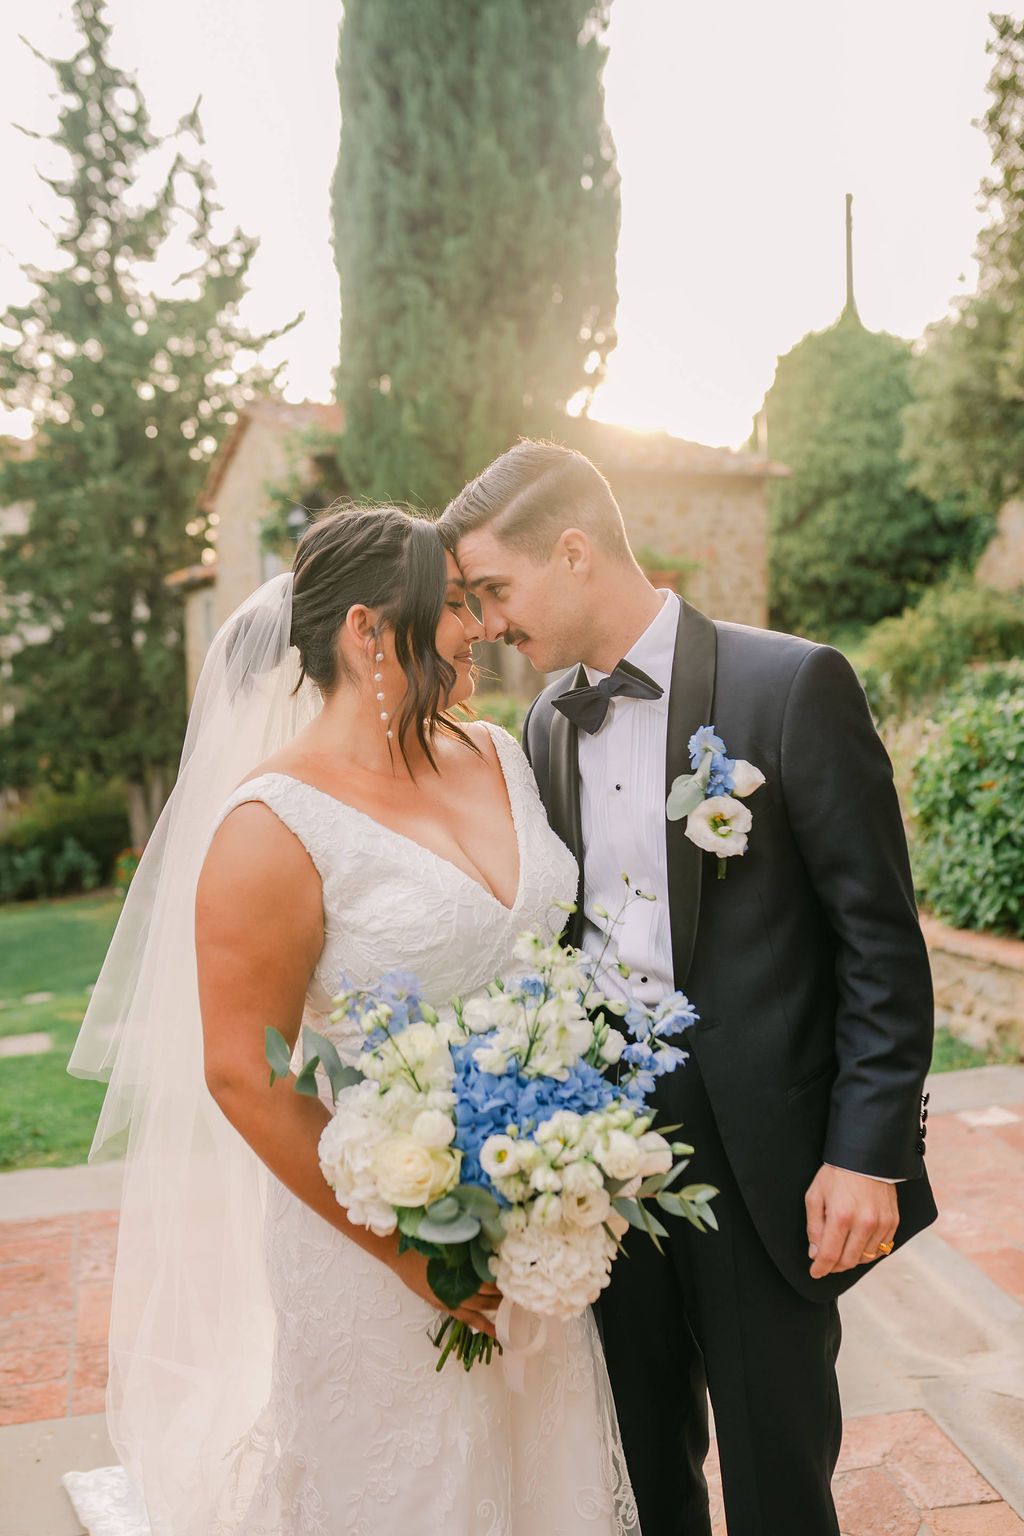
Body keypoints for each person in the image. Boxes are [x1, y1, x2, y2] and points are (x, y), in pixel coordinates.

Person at [64, 504, 638, 1535]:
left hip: (532, 1220)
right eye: (454, 608)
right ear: (369, 632)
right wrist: (419, 1253)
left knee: (542, 1483)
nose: (480, 629)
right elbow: (244, 1071)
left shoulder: (498, 755)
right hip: (379, 1236)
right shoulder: (271, 827)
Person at [439, 439, 937, 1536]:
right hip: (597, 1164)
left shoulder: (792, 683)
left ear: (572, 553)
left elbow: (880, 948)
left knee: (774, 1466)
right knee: (635, 1457)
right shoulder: (542, 726)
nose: (483, 624)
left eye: (492, 592)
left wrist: (867, 1151)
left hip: (764, 1152)